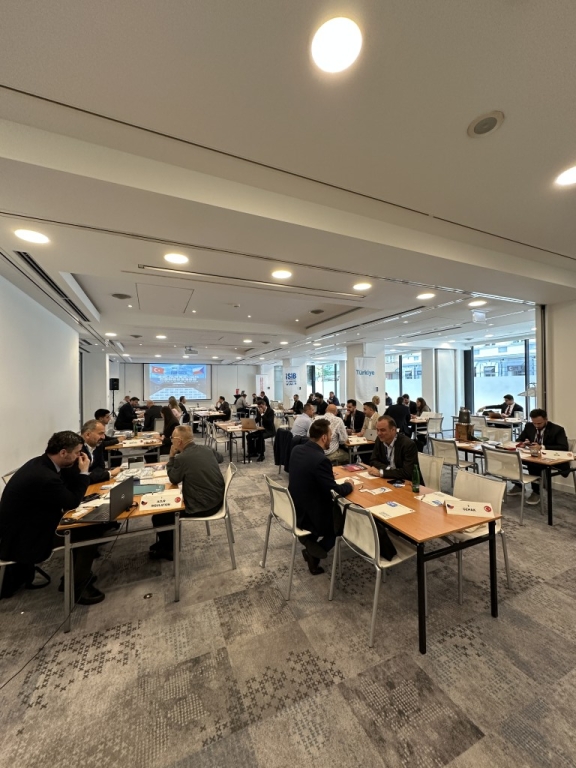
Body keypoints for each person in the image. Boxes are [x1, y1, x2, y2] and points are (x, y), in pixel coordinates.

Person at [0, 431, 107, 604]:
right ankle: (78, 587)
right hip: (25, 540)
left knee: (83, 526)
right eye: (77, 453)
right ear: (63, 452)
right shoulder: (45, 477)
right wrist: (84, 472)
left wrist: (76, 468)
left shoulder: (42, 463)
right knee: (88, 531)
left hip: (26, 527)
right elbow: (71, 501)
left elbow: (67, 487)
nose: (79, 457)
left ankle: (75, 575)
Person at [288, 419, 354, 574]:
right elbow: (334, 491)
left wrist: (326, 477)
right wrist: (349, 485)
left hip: (295, 507)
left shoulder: (297, 449)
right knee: (342, 520)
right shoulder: (321, 459)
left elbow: (308, 475)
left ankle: (309, 543)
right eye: (330, 435)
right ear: (324, 437)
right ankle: (316, 551)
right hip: (311, 514)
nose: (331, 438)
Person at [150, 425, 225, 560]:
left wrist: (171, 457)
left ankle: (168, 549)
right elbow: (220, 458)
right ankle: (165, 544)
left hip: (204, 506)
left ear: (179, 441)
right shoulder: (206, 449)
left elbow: (173, 479)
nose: (171, 440)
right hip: (218, 499)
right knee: (166, 509)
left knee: (160, 516)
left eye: (172, 438)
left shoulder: (181, 458)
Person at [511, 408, 570, 505]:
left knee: (533, 463)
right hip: (533, 455)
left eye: (539, 423)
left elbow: (563, 447)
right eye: (534, 423)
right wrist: (523, 443)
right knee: (512, 459)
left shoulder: (557, 430)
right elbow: (519, 439)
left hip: (552, 459)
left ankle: (536, 492)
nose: (536, 426)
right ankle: (518, 485)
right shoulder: (529, 426)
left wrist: (542, 447)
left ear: (546, 419)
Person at [63, 419, 122, 484]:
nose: (103, 437)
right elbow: (79, 477)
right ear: (87, 435)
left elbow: (101, 467)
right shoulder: (76, 449)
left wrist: (93, 475)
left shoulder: (98, 444)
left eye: (104, 434)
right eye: (100, 433)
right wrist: (109, 473)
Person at [366, 415, 419, 480]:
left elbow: (407, 473)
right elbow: (373, 460)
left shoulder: (407, 444)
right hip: (388, 478)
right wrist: (388, 469)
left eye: (383, 430)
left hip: (405, 481)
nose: (379, 433)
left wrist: (382, 472)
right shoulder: (379, 440)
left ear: (393, 430)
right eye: (377, 430)